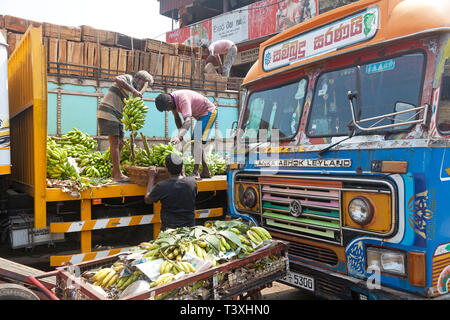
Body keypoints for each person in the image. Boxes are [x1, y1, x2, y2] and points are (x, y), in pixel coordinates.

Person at [97, 70, 153, 182]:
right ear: (140, 80)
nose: (143, 88)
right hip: (108, 112)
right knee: (115, 142)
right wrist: (134, 91)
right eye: (145, 84)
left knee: (121, 143)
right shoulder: (128, 78)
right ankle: (117, 174)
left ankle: (115, 172)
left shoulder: (131, 92)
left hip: (117, 116)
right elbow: (117, 79)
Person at [154, 89, 217, 180]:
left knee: (196, 139)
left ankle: (196, 172)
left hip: (209, 112)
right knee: (195, 140)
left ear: (170, 103)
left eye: (167, 109)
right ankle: (206, 171)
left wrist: (180, 137)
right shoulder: (172, 100)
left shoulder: (183, 99)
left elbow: (187, 121)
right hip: (199, 114)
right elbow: (177, 118)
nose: (168, 111)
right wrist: (181, 136)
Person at [144, 153, 197, 231]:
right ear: (182, 167)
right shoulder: (192, 182)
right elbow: (185, 183)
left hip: (170, 231)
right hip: (189, 229)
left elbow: (147, 200)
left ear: (166, 169)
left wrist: (151, 177)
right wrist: (183, 174)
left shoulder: (162, 186)